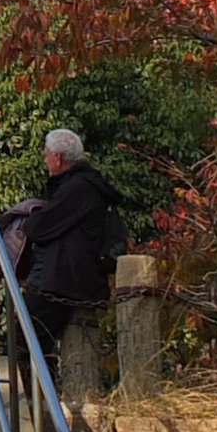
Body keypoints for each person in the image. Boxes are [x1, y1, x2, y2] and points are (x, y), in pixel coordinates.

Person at [19, 129, 127, 351]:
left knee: (25, 340)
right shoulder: (86, 184)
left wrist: (29, 219)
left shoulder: (78, 187)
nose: (45, 161)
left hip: (65, 281)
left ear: (58, 158)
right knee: (34, 341)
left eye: (46, 155)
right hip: (74, 277)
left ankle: (35, 375)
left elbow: (38, 228)